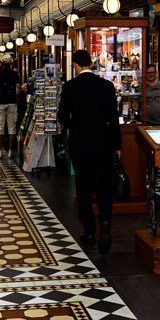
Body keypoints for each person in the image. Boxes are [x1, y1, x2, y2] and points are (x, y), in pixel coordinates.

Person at [57, 49, 121, 255]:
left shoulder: (70, 87)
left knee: (83, 188)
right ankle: (105, 221)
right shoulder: (106, 86)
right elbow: (114, 118)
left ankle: (89, 231)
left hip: (80, 145)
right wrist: (117, 146)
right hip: (102, 144)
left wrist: (75, 125)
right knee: (103, 187)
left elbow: (62, 116)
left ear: (75, 65)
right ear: (91, 64)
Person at [0, 52, 20, 158]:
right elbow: (17, 86)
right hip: (12, 101)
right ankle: (10, 151)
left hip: (0, 101)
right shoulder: (14, 74)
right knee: (11, 127)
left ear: (2, 62)